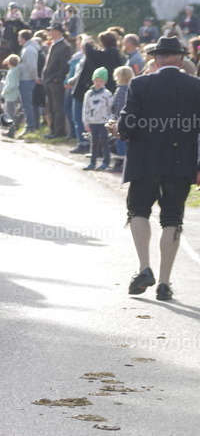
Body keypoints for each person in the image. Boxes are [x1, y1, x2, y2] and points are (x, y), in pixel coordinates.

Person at [117, 36, 200, 301]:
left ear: (155, 58)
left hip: (145, 160)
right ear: (182, 58)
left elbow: (127, 125)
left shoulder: (140, 83)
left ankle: (144, 269)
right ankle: (164, 283)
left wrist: (117, 128)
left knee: (138, 211)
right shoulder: (196, 86)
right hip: (181, 161)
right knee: (172, 219)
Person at [42, 22, 71, 138]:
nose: (50, 32)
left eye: (52, 30)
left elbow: (65, 65)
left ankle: (58, 131)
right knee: (52, 106)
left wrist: (57, 78)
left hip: (55, 81)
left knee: (58, 106)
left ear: (58, 32)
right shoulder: (54, 44)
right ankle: (53, 129)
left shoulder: (65, 46)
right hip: (49, 80)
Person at [81, 67, 113, 171]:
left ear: (104, 82)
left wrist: (110, 121)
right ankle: (92, 162)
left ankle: (106, 161)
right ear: (93, 80)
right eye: (96, 81)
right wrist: (86, 122)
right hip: (92, 121)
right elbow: (85, 108)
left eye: (101, 81)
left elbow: (111, 108)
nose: (98, 83)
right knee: (94, 142)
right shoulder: (89, 94)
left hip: (103, 121)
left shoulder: (107, 94)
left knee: (104, 141)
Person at [108, 65, 133, 173]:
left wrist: (114, 118)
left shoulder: (121, 90)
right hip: (127, 119)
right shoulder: (130, 89)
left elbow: (118, 105)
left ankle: (120, 163)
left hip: (119, 119)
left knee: (119, 142)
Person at [16, 29, 42, 133]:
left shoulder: (29, 50)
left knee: (27, 104)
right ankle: (33, 125)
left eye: (19, 37)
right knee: (30, 104)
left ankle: (30, 126)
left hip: (27, 79)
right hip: (27, 79)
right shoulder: (27, 48)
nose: (18, 39)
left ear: (23, 38)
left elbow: (32, 66)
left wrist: (35, 78)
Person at [0, 54, 21, 139]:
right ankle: (12, 129)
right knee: (12, 113)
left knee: (9, 114)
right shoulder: (17, 70)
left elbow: (11, 84)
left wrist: (4, 91)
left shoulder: (11, 72)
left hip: (10, 95)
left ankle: (11, 131)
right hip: (14, 94)